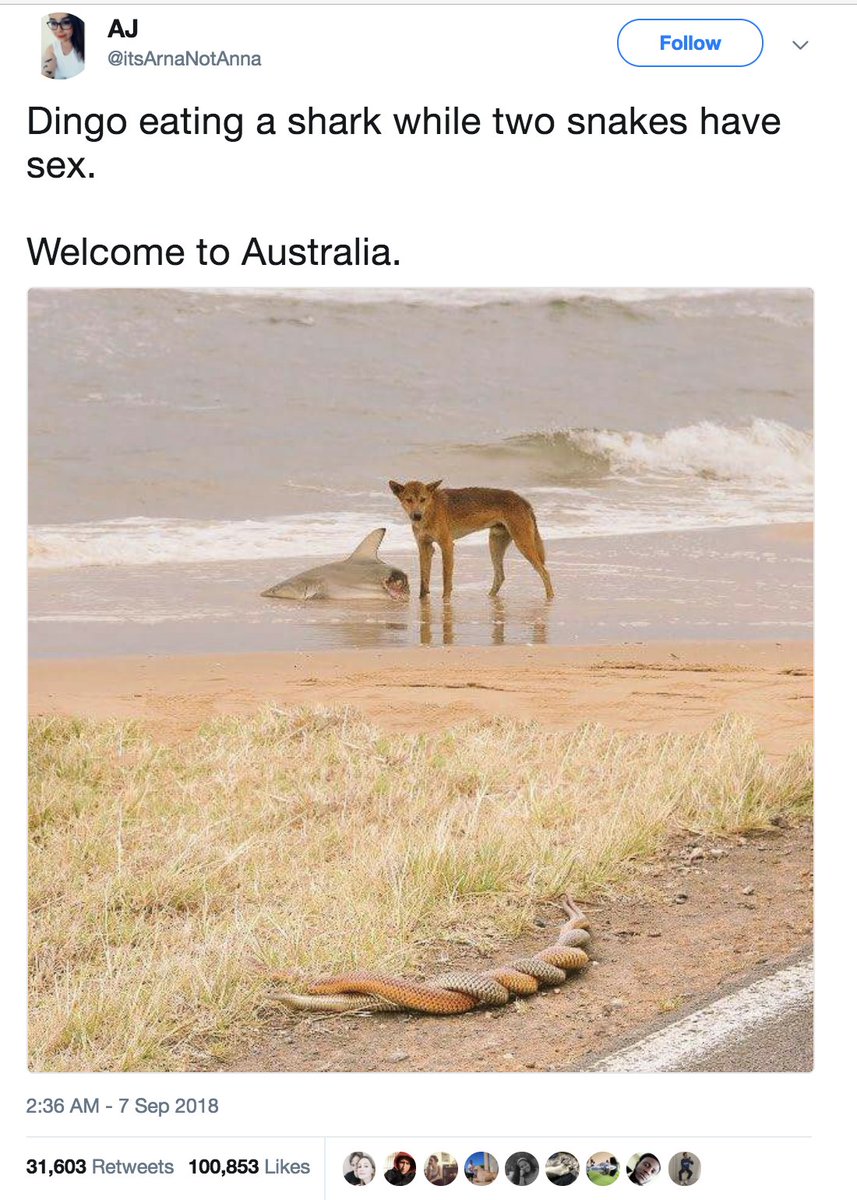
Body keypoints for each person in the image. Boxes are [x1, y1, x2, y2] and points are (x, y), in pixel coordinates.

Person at [42, 13, 85, 79]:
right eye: (53, 23)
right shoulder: (51, 50)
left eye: (66, 22)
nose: (59, 30)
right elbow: (47, 74)